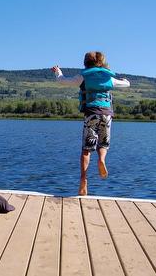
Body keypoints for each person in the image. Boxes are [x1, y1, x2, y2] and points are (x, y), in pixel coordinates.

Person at [51, 51, 130, 196]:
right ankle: (101, 159)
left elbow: (63, 80)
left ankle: (83, 180)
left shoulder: (83, 77)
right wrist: (125, 80)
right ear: (102, 63)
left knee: (86, 150)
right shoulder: (109, 78)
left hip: (91, 114)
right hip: (106, 115)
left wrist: (58, 72)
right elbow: (126, 84)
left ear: (86, 63)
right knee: (103, 144)